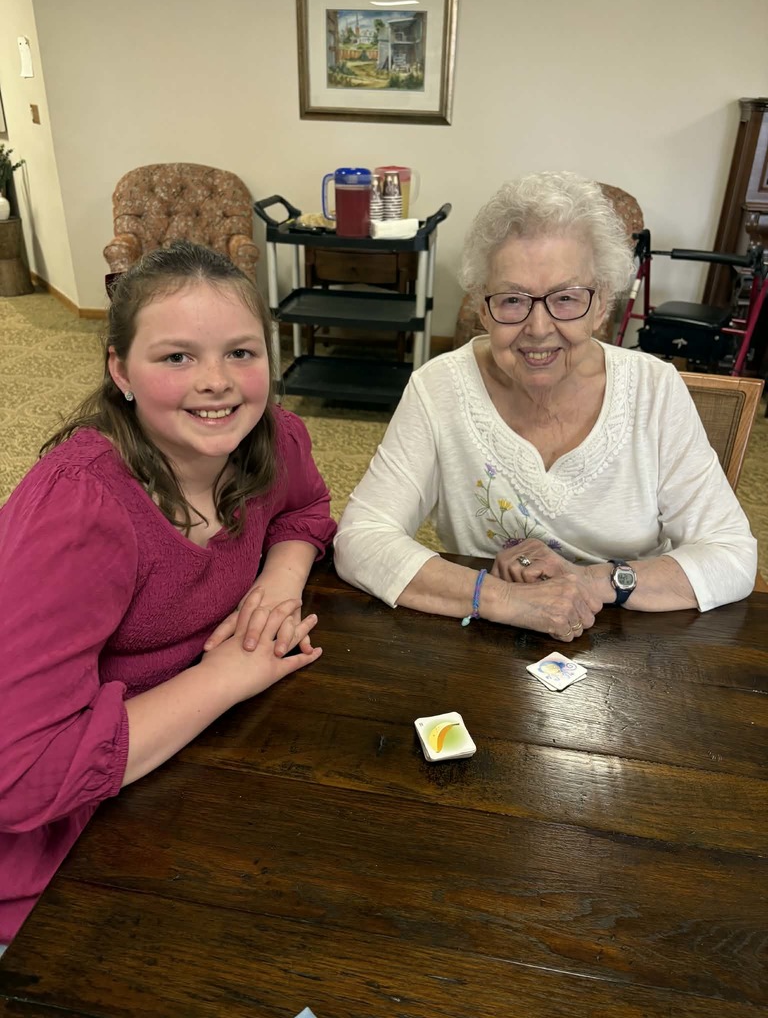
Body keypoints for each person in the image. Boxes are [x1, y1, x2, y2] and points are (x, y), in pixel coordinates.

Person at [0, 241, 336, 947]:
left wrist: (280, 577)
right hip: (50, 849)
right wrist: (225, 678)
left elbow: (306, 510)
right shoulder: (82, 511)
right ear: (119, 370)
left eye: (242, 353)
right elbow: (19, 778)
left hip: (182, 761)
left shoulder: (271, 437)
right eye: (177, 357)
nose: (217, 382)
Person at [333, 171, 757, 636]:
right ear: (482, 308)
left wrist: (591, 583)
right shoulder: (439, 388)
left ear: (602, 306)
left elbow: (731, 553)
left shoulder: (654, 389)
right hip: (487, 642)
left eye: (567, 298)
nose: (538, 328)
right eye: (513, 300)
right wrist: (504, 598)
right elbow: (361, 539)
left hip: (627, 642)